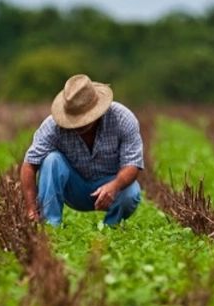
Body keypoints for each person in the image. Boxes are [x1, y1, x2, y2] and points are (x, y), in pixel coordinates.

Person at [20, 74, 143, 226]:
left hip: (110, 184)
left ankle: (111, 228)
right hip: (74, 188)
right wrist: (31, 209)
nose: (79, 125)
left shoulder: (123, 119)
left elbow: (133, 164)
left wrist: (114, 185)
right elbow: (29, 165)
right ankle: (50, 226)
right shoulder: (52, 126)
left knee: (131, 193)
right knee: (52, 160)